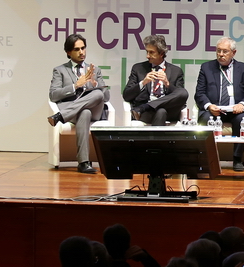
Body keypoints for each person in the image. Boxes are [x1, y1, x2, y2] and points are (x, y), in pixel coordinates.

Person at [48, 33, 109, 174]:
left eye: (83, 48)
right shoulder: (60, 71)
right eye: (77, 49)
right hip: (75, 112)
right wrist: (75, 86)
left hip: (92, 109)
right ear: (69, 52)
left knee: (98, 93)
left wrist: (94, 85)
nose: (82, 52)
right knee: (84, 112)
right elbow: (53, 95)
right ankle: (83, 163)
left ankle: (60, 116)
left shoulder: (95, 70)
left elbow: (106, 96)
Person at [195, 38, 244, 171]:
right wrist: (209, 106)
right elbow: (199, 93)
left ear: (233, 53)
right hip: (213, 111)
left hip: (235, 111)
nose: (221, 54)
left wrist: (242, 104)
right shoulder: (206, 67)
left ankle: (237, 159)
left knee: (241, 119)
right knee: (205, 119)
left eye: (225, 51)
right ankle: (204, 158)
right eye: (218, 51)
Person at [122, 34, 188, 126]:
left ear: (161, 53)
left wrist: (167, 84)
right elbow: (126, 95)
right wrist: (143, 83)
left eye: (151, 52)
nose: (147, 56)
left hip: (168, 111)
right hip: (148, 113)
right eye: (147, 52)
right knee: (161, 111)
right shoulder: (138, 69)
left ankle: (144, 107)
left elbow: (181, 97)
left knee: (183, 92)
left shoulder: (176, 71)